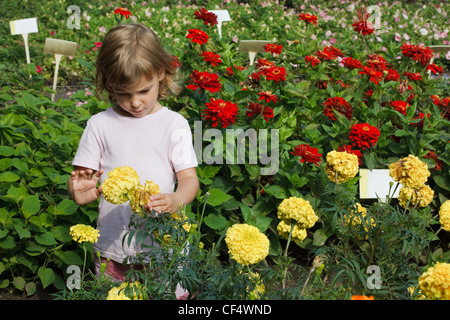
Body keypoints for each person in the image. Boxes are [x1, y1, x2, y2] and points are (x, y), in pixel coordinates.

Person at [67, 23, 199, 296]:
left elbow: (189, 180)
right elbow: (83, 180)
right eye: (123, 93)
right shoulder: (99, 125)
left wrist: (176, 200)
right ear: (108, 84)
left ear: (161, 73)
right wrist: (77, 192)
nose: (135, 102)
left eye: (143, 91)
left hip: (164, 245)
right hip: (115, 246)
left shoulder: (174, 124)